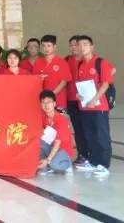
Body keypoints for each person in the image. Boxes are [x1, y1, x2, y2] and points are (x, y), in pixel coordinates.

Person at [74, 35, 114, 177]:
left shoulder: (100, 62)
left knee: (101, 136)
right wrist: (78, 95)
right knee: (89, 136)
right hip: (85, 107)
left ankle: (104, 165)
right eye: (80, 45)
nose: (82, 47)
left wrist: (94, 99)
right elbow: (81, 85)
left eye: (85, 44)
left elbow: (105, 83)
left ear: (92, 46)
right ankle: (93, 161)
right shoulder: (80, 65)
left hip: (99, 107)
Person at [65, 35, 88, 165]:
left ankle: (92, 154)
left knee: (88, 128)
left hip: (86, 100)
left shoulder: (88, 59)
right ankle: (82, 154)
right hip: (72, 100)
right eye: (71, 45)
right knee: (78, 129)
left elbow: (111, 70)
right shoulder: (67, 60)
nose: (73, 47)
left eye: (76, 44)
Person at [39, 90, 73, 174]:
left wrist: (48, 160)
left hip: (63, 150)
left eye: (49, 102)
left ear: (54, 104)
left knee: (54, 165)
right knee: (38, 142)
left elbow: (58, 143)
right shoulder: (44, 117)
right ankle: (46, 163)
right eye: (43, 102)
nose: (46, 105)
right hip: (51, 147)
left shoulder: (61, 120)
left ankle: (66, 163)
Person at [33, 35, 72, 110]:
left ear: (54, 47)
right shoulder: (38, 62)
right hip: (43, 102)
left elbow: (64, 82)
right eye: (43, 46)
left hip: (59, 101)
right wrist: (39, 79)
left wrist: (52, 95)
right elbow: (34, 80)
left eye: (49, 46)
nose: (46, 48)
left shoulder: (62, 62)